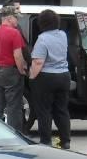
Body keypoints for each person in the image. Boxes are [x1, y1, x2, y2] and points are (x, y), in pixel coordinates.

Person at [28, 8, 71, 149]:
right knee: (62, 109)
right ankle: (65, 141)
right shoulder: (63, 35)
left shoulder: (43, 38)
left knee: (44, 110)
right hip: (64, 75)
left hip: (47, 77)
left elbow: (38, 62)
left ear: (42, 23)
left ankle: (46, 141)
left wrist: (32, 76)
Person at [0, 4, 27, 132]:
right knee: (14, 107)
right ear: (9, 18)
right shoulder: (15, 33)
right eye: (17, 18)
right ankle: (15, 135)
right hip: (11, 72)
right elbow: (18, 55)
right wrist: (21, 70)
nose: (17, 21)